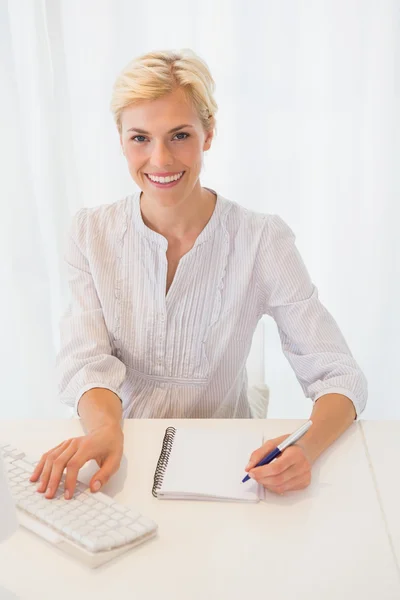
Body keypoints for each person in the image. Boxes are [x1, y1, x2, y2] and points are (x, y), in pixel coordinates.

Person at [30, 49, 367, 501]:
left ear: (208, 133)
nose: (160, 160)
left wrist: (305, 448)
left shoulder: (262, 239)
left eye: (179, 135)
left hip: (227, 473)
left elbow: (341, 376)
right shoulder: (90, 233)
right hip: (115, 455)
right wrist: (108, 429)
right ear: (120, 139)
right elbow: (86, 361)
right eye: (140, 138)